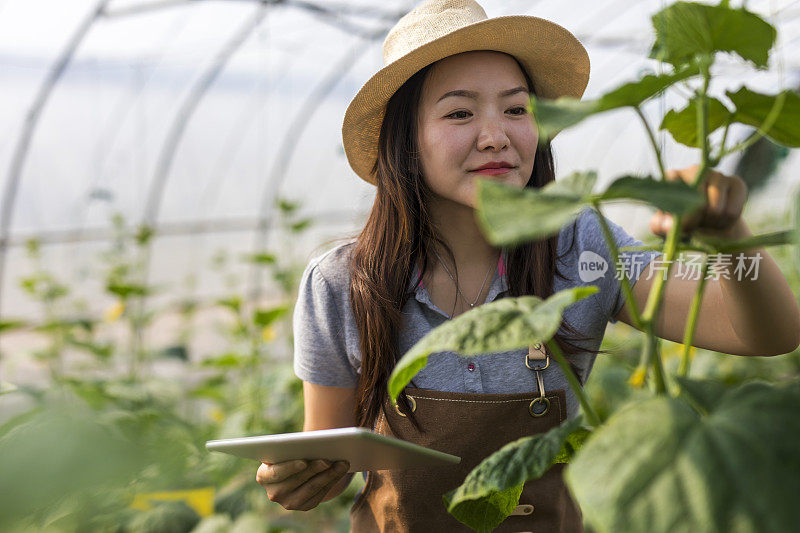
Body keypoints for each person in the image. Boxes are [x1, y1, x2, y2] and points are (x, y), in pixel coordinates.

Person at [256, 0, 800, 531]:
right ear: (404, 140)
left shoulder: (581, 246)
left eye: (517, 109)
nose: (496, 135)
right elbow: (325, 452)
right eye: (460, 112)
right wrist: (301, 479)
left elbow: (766, 332)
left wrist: (731, 240)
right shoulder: (343, 282)